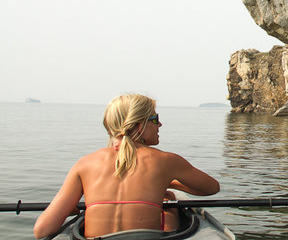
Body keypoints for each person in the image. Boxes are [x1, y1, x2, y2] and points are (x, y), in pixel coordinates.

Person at [33, 94, 220, 238]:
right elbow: (212, 188)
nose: (160, 124)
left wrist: (68, 209)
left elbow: (42, 230)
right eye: (155, 118)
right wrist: (167, 183)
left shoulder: (84, 164)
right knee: (171, 211)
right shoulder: (167, 161)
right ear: (139, 125)